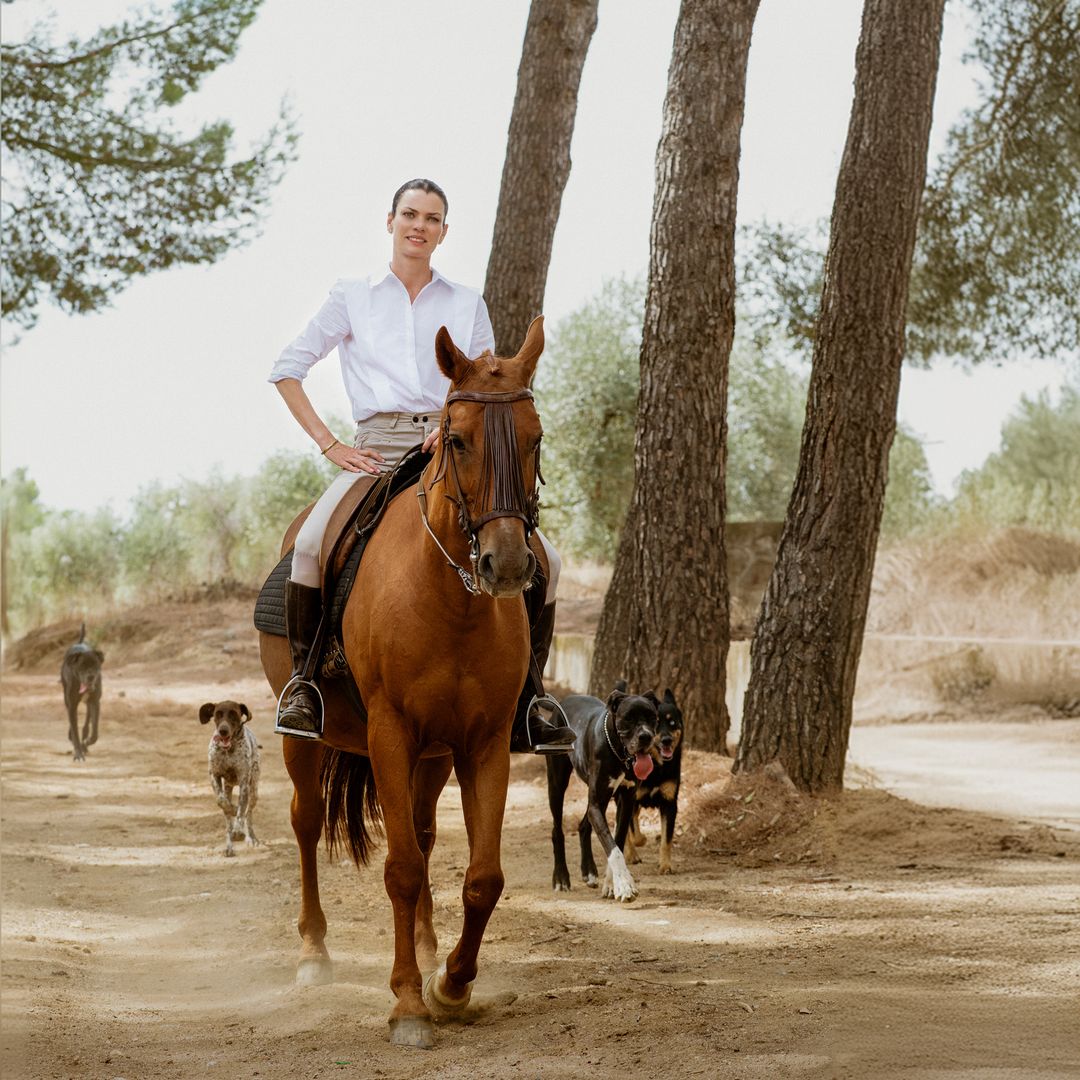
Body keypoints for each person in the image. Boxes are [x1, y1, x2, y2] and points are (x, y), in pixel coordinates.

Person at [268, 178, 570, 752]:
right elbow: (288, 368)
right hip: (375, 451)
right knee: (308, 546)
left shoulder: (465, 302)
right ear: (390, 221)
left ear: (443, 232)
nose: (419, 226)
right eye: (410, 214)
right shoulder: (352, 295)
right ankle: (305, 684)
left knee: (545, 559)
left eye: (432, 219)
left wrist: (449, 427)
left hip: (449, 447)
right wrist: (330, 445)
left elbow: (482, 379)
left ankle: (532, 697)